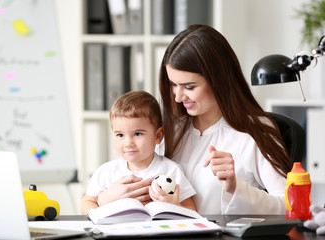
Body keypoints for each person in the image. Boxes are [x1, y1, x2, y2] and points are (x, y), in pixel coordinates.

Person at [96, 24, 293, 215]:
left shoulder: (253, 133)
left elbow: (290, 206)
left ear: (219, 81)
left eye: (189, 87)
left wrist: (236, 188)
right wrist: (105, 199)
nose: (178, 97)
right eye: (173, 84)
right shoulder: (166, 131)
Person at [81, 90, 196, 215]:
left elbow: (191, 209)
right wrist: (100, 211)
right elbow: (87, 202)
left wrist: (174, 205)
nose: (128, 143)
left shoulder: (171, 171)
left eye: (137, 134)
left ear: (158, 136)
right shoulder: (106, 172)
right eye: (120, 135)